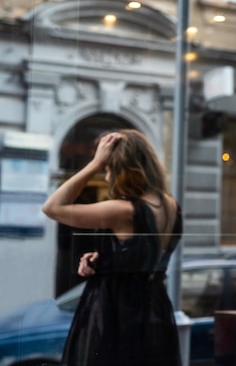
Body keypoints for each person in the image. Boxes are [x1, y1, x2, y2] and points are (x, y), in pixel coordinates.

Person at [42, 129, 183, 366]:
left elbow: (52, 207)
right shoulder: (170, 206)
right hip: (152, 306)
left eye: (108, 169)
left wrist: (95, 163)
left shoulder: (124, 210)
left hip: (116, 310)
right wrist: (106, 257)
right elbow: (145, 253)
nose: (106, 177)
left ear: (122, 168)